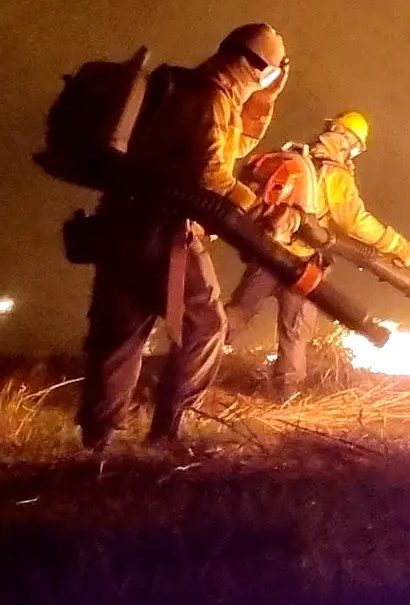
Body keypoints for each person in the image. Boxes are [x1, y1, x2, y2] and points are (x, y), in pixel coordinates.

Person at [76, 23, 286, 453]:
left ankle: (97, 444)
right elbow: (211, 176)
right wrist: (256, 204)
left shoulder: (190, 88)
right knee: (206, 325)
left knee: (121, 334)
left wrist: (263, 102)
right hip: (165, 233)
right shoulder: (209, 99)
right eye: (270, 73)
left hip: (119, 225)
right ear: (257, 66)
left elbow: (230, 145)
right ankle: (167, 431)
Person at [232, 109, 410, 396]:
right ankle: (286, 401)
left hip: (267, 253)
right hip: (303, 267)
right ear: (349, 141)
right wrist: (402, 247)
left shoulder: (297, 159)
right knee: (295, 334)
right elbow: (355, 221)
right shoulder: (334, 175)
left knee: (235, 316)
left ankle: (189, 360)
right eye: (357, 149)